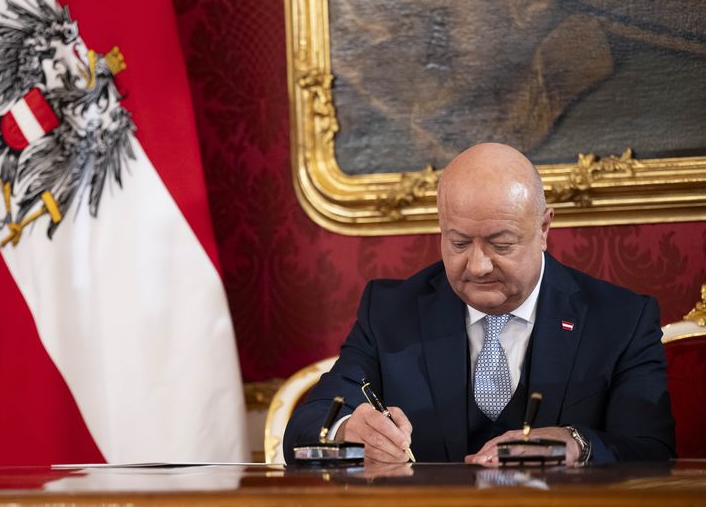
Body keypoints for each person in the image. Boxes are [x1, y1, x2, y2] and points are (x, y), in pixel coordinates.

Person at [283, 143, 675, 466]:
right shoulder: (390, 311)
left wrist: (576, 443)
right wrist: (347, 431)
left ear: (543, 229)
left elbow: (652, 452)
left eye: (500, 244)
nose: (477, 266)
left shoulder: (620, 320)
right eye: (458, 243)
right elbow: (307, 427)